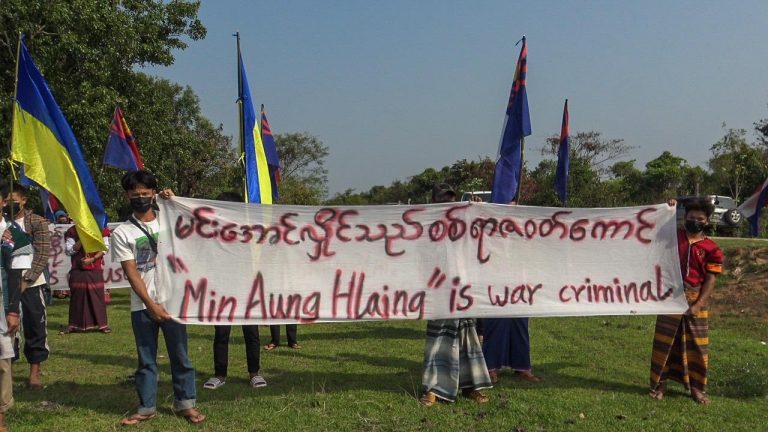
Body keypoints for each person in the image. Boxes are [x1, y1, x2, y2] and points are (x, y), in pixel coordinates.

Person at [112, 170, 205, 425]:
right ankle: (146, 407)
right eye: (135, 195)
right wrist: (150, 305)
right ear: (127, 196)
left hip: (174, 301)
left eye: (145, 193)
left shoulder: (169, 220)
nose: (140, 198)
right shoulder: (122, 233)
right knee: (146, 359)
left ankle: (186, 404)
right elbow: (131, 273)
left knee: (180, 356)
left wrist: (175, 202)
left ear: (153, 194)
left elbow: (199, 228)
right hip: (143, 305)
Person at [420, 183, 492, 407]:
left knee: (467, 339)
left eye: (450, 201)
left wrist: (479, 213)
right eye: (442, 201)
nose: (447, 206)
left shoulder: (463, 224)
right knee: (439, 340)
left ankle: (470, 386)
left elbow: (482, 240)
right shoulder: (426, 226)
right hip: (439, 291)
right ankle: (432, 389)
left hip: (462, 291)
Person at [649, 197, 723, 405]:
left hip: (695, 298)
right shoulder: (673, 237)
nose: (695, 221)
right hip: (670, 297)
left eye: (700, 218)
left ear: (707, 221)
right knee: (664, 343)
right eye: (691, 217)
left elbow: (711, 278)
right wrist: (667, 209)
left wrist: (699, 304)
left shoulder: (712, 248)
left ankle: (697, 388)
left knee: (697, 345)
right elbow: (652, 229)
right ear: (684, 218)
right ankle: (659, 384)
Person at [204, 191, 267, 390]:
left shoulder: (250, 233)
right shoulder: (211, 234)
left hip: (247, 290)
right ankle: (220, 374)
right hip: (222, 291)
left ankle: (254, 373)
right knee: (221, 333)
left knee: (251, 333)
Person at [10, 183, 50, 389]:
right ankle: (7, 371)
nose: (9, 204)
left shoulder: (36, 222)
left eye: (13, 201)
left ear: (23, 200)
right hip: (6, 285)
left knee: (35, 325)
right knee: (7, 328)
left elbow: (43, 253)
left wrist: (27, 280)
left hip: (32, 284)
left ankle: (35, 371)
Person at [60, 224, 111, 333]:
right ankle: (74, 324)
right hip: (78, 268)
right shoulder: (72, 231)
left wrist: (92, 259)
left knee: (97, 298)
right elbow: (69, 251)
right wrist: (82, 239)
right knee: (77, 298)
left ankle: (102, 325)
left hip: (94, 269)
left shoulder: (100, 228)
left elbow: (104, 248)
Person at [0, 180, 18, 431]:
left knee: (2, 361)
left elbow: (16, 273)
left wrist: (13, 309)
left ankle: (1, 415)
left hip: (2, 304)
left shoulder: (12, 232)